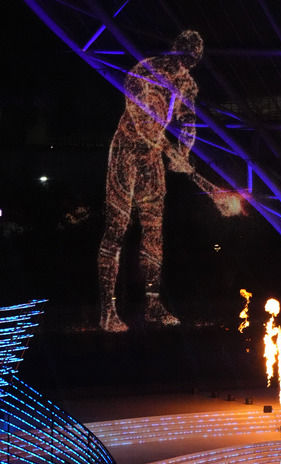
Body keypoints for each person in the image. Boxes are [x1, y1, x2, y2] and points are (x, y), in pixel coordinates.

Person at [97, 30, 203, 332]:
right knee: (117, 227)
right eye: (182, 59)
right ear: (174, 51)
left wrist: (184, 152)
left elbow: (188, 121)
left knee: (154, 232)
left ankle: (153, 306)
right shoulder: (143, 72)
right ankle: (108, 311)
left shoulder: (188, 85)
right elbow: (144, 125)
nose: (184, 67)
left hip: (152, 159)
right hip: (126, 152)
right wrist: (172, 151)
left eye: (190, 63)